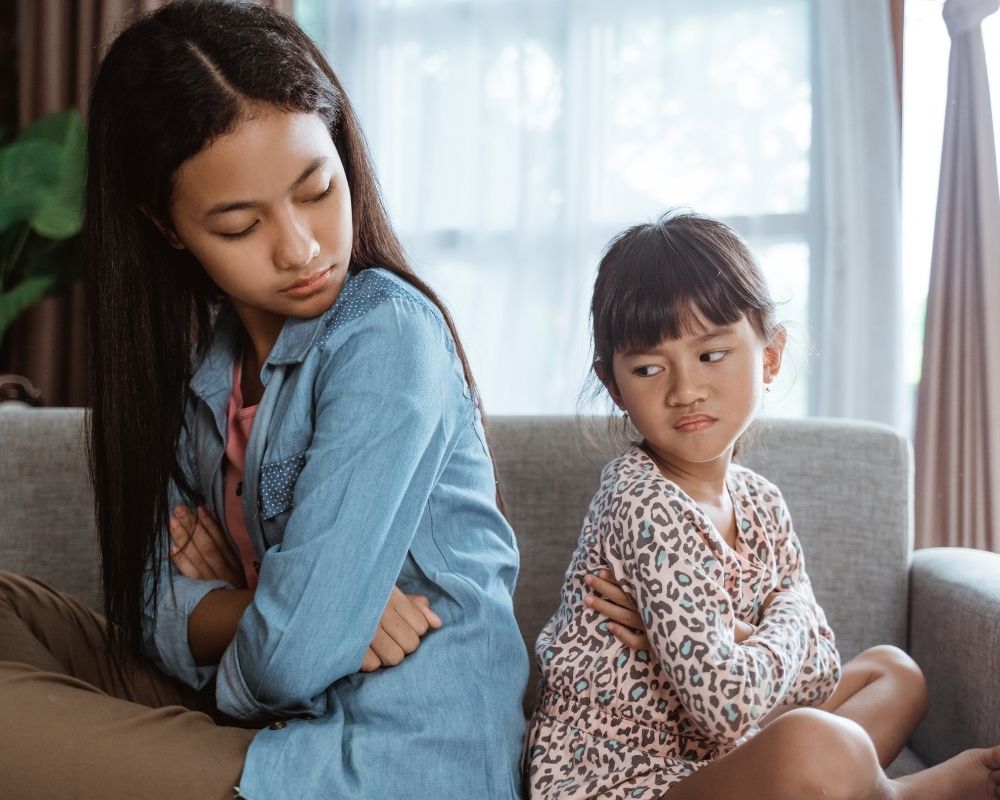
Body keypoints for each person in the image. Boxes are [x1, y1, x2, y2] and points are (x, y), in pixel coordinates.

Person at [0, 2, 530, 798]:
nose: (302, 248)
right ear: (167, 227)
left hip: (378, 766)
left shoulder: (388, 339)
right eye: (241, 225)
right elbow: (152, 605)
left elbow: (290, 659)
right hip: (264, 733)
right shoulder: (203, 373)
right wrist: (276, 608)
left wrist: (280, 632)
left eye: (317, 189)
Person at [523, 211, 1000, 799]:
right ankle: (897, 795)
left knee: (892, 672)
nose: (684, 389)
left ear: (769, 356)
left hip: (720, 753)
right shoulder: (641, 501)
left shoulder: (761, 503)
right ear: (614, 384)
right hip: (630, 783)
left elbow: (822, 666)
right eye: (648, 368)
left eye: (711, 354)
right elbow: (726, 704)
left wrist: (727, 635)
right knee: (815, 743)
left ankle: (848, 786)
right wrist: (786, 616)